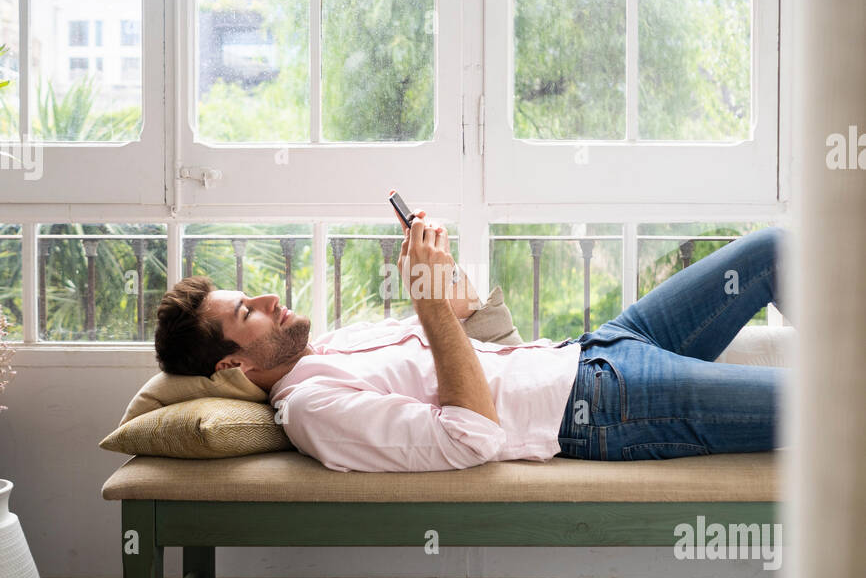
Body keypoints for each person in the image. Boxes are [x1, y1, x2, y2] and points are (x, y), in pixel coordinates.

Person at [153, 218, 789, 473]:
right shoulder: (312, 409)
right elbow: (470, 437)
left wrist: (433, 265)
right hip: (603, 402)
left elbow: (452, 317)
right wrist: (429, 307)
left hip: (605, 344)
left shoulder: (331, 349)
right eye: (248, 312)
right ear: (232, 363)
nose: (268, 301)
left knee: (772, 248)